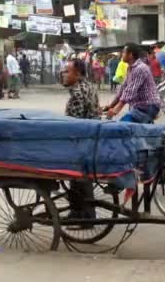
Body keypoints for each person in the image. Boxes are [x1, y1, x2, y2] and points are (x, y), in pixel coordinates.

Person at [62, 58, 100, 221]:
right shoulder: (90, 86)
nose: (64, 75)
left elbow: (73, 124)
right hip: (91, 139)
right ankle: (80, 213)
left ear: (77, 74)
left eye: (67, 71)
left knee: (77, 178)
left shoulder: (77, 92)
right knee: (81, 179)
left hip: (81, 141)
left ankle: (83, 215)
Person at [104, 43, 161, 124]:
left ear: (130, 55)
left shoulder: (140, 68)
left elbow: (130, 92)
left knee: (124, 125)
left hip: (148, 106)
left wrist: (116, 109)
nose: (121, 54)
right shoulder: (130, 68)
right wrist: (111, 106)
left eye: (123, 52)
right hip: (139, 106)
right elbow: (123, 89)